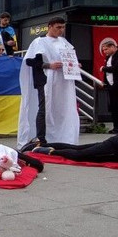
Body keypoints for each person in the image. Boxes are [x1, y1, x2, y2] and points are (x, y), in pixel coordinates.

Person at [17, 17, 79, 148]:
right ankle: (42, 138)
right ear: (50, 26)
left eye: (62, 28)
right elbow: (30, 61)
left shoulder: (64, 42)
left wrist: (74, 64)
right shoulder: (40, 42)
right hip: (46, 80)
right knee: (45, 108)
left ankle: (63, 137)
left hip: (64, 81)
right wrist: (48, 65)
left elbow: (69, 57)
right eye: (58, 27)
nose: (61, 30)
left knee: (63, 108)